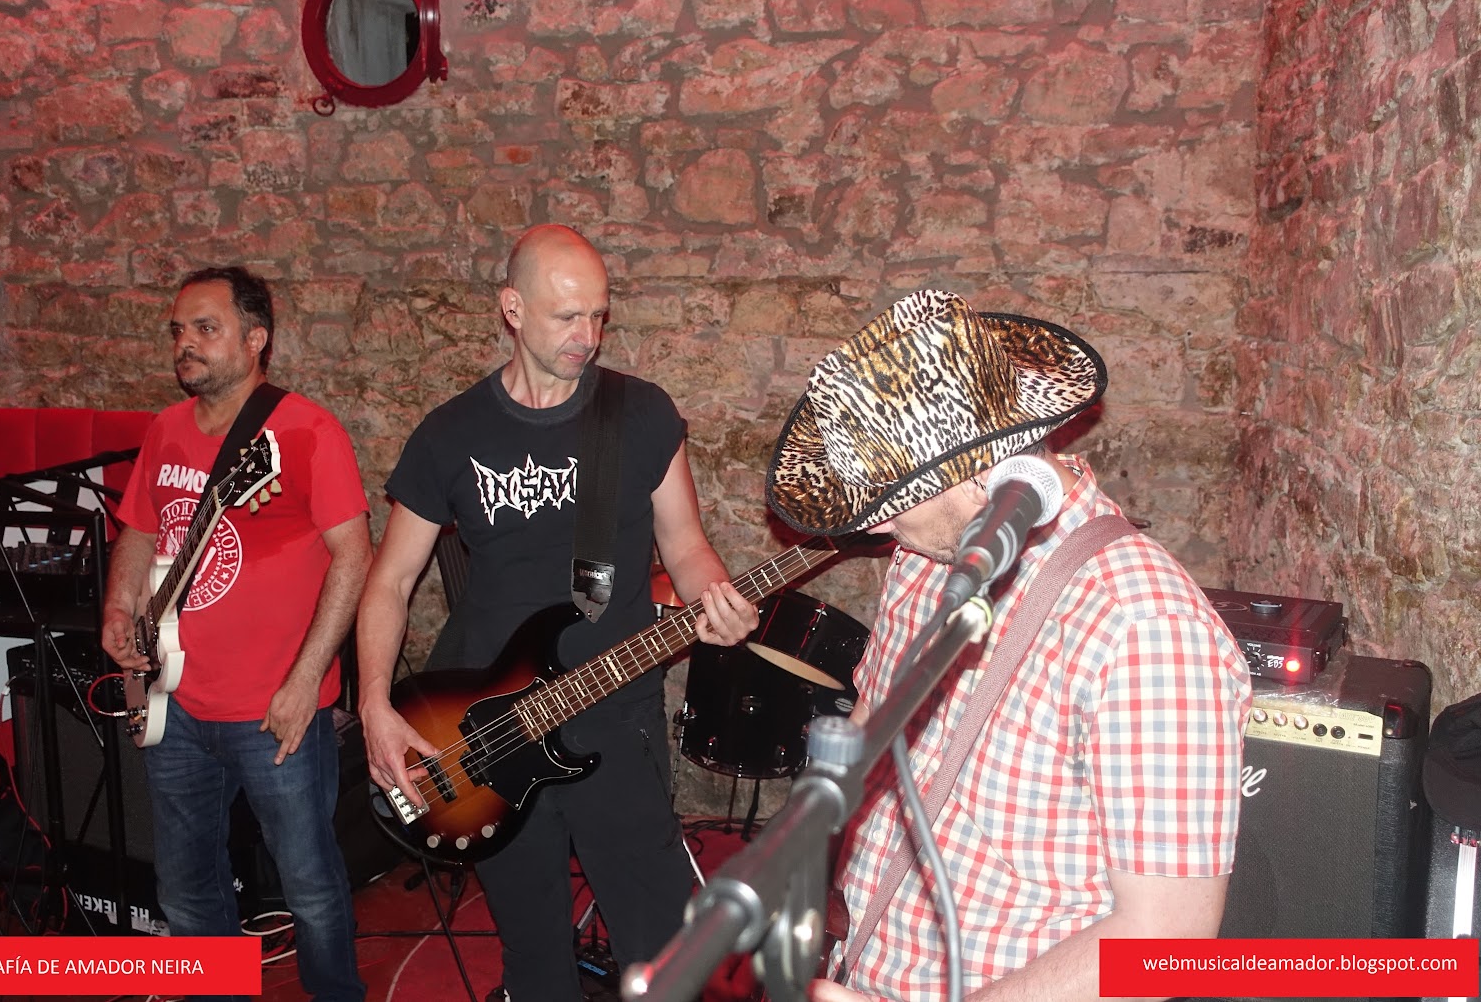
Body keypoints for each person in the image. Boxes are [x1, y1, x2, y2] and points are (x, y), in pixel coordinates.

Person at [763, 288, 1252, 1001]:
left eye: (890, 499)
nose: (873, 526)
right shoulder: (925, 558)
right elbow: (874, 731)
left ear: (977, 473)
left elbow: (1167, 937)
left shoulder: (1144, 625)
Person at [356, 223, 760, 1002]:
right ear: (512, 308)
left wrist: (714, 595)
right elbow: (389, 581)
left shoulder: (639, 415)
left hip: (616, 714)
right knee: (535, 955)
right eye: (568, 316)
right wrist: (374, 704)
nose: (589, 335)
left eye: (599, 315)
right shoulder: (450, 434)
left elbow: (687, 547)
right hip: (487, 732)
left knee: (660, 950)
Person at [101, 267, 370, 1002]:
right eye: (178, 331)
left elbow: (353, 556)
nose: (185, 344)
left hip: (273, 710)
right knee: (186, 887)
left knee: (309, 884)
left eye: (205, 328)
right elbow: (139, 529)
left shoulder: (307, 431)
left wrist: (305, 682)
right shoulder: (164, 429)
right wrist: (119, 609)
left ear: (256, 340)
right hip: (175, 702)